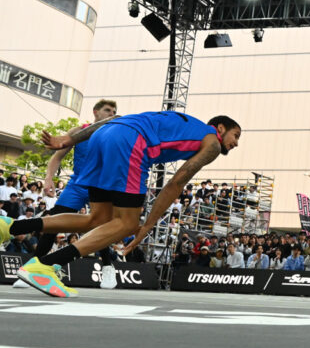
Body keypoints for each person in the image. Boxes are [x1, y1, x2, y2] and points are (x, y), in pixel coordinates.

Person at [1, 112, 241, 298]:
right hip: (131, 143)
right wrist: (147, 225)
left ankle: (9, 226)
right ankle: (45, 266)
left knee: (98, 220)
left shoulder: (182, 123)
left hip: (102, 136)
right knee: (127, 224)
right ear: (220, 128)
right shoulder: (211, 143)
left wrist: (71, 139)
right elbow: (175, 183)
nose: (236, 143)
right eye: (236, 135)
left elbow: (114, 119)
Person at [15, 100, 122, 290]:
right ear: (96, 112)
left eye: (114, 111)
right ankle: (32, 269)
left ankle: (107, 267)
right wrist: (49, 178)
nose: (111, 113)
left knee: (100, 226)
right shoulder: (78, 131)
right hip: (77, 185)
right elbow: (57, 156)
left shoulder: (115, 133)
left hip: (102, 186)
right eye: (107, 110)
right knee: (53, 223)